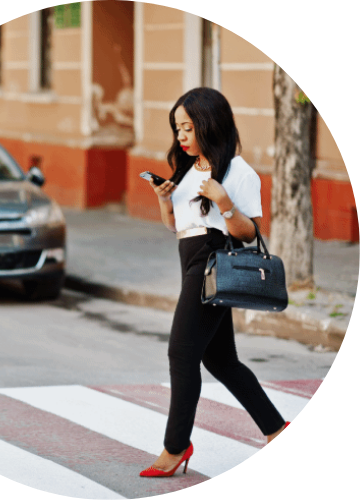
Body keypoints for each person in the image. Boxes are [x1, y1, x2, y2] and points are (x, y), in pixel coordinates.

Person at [139, 88, 291, 478]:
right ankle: (276, 428)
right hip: (189, 258)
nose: (182, 136)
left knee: (181, 352)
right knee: (221, 359)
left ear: (210, 124)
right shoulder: (188, 168)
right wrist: (162, 199)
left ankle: (176, 446)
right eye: (178, 129)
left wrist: (224, 201)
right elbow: (176, 226)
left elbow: (246, 233)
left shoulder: (239, 172)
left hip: (211, 261)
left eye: (189, 127)